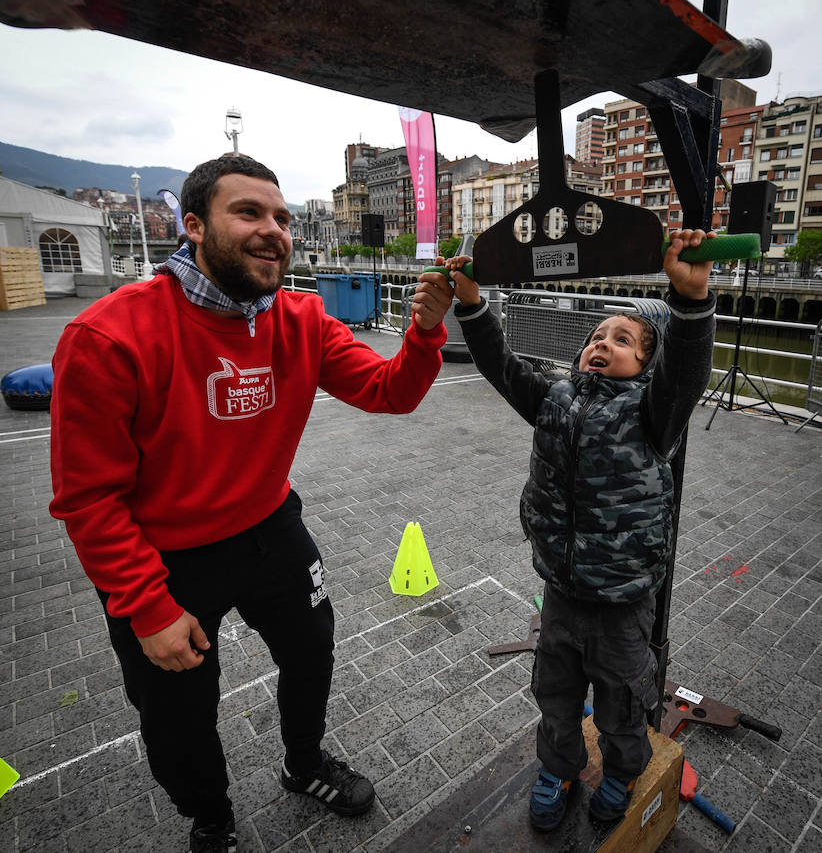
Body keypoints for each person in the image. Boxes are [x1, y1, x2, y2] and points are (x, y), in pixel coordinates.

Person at [49, 154, 454, 852]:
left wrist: (424, 331)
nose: (274, 230)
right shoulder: (109, 336)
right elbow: (87, 499)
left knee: (313, 653)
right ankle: (211, 818)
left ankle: (303, 764)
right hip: (163, 558)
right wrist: (147, 606)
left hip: (270, 527)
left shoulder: (304, 318)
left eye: (283, 217)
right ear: (195, 226)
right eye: (249, 213)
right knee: (178, 713)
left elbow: (389, 390)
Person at [442, 228, 716, 830]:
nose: (604, 344)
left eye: (624, 340)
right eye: (598, 336)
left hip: (622, 601)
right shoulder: (555, 398)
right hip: (562, 590)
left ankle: (620, 773)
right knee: (555, 696)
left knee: (623, 702)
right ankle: (558, 766)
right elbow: (501, 366)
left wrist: (691, 304)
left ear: (649, 363)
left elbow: (687, 372)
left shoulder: (653, 415)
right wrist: (470, 303)